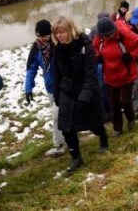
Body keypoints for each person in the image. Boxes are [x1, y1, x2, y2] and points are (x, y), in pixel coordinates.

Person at [52, 16, 108, 173]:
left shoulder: (85, 46)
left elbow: (90, 74)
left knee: (94, 124)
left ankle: (103, 138)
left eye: (62, 32)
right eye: (57, 33)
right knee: (66, 127)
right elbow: (57, 74)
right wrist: (57, 95)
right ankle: (76, 157)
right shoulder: (58, 49)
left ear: (70, 30)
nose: (59, 36)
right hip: (67, 92)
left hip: (86, 91)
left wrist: (84, 97)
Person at [92, 17, 138, 136]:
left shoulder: (124, 34)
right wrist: (98, 56)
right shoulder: (99, 38)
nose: (108, 37)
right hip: (110, 75)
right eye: (105, 35)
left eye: (110, 34)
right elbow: (95, 48)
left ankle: (131, 120)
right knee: (113, 103)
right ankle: (117, 128)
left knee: (126, 102)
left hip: (127, 73)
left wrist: (132, 56)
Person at [24, 20, 66, 157]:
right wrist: (28, 87)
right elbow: (31, 68)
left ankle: (60, 144)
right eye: (39, 36)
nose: (42, 39)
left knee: (56, 116)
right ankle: (64, 141)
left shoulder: (58, 44)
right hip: (51, 89)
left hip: (65, 86)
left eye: (45, 36)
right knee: (58, 115)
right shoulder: (36, 48)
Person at [88, 12, 112, 121]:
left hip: (110, 62)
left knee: (109, 88)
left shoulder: (114, 28)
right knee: (103, 88)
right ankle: (107, 111)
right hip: (99, 64)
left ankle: (111, 110)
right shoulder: (93, 31)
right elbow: (89, 46)